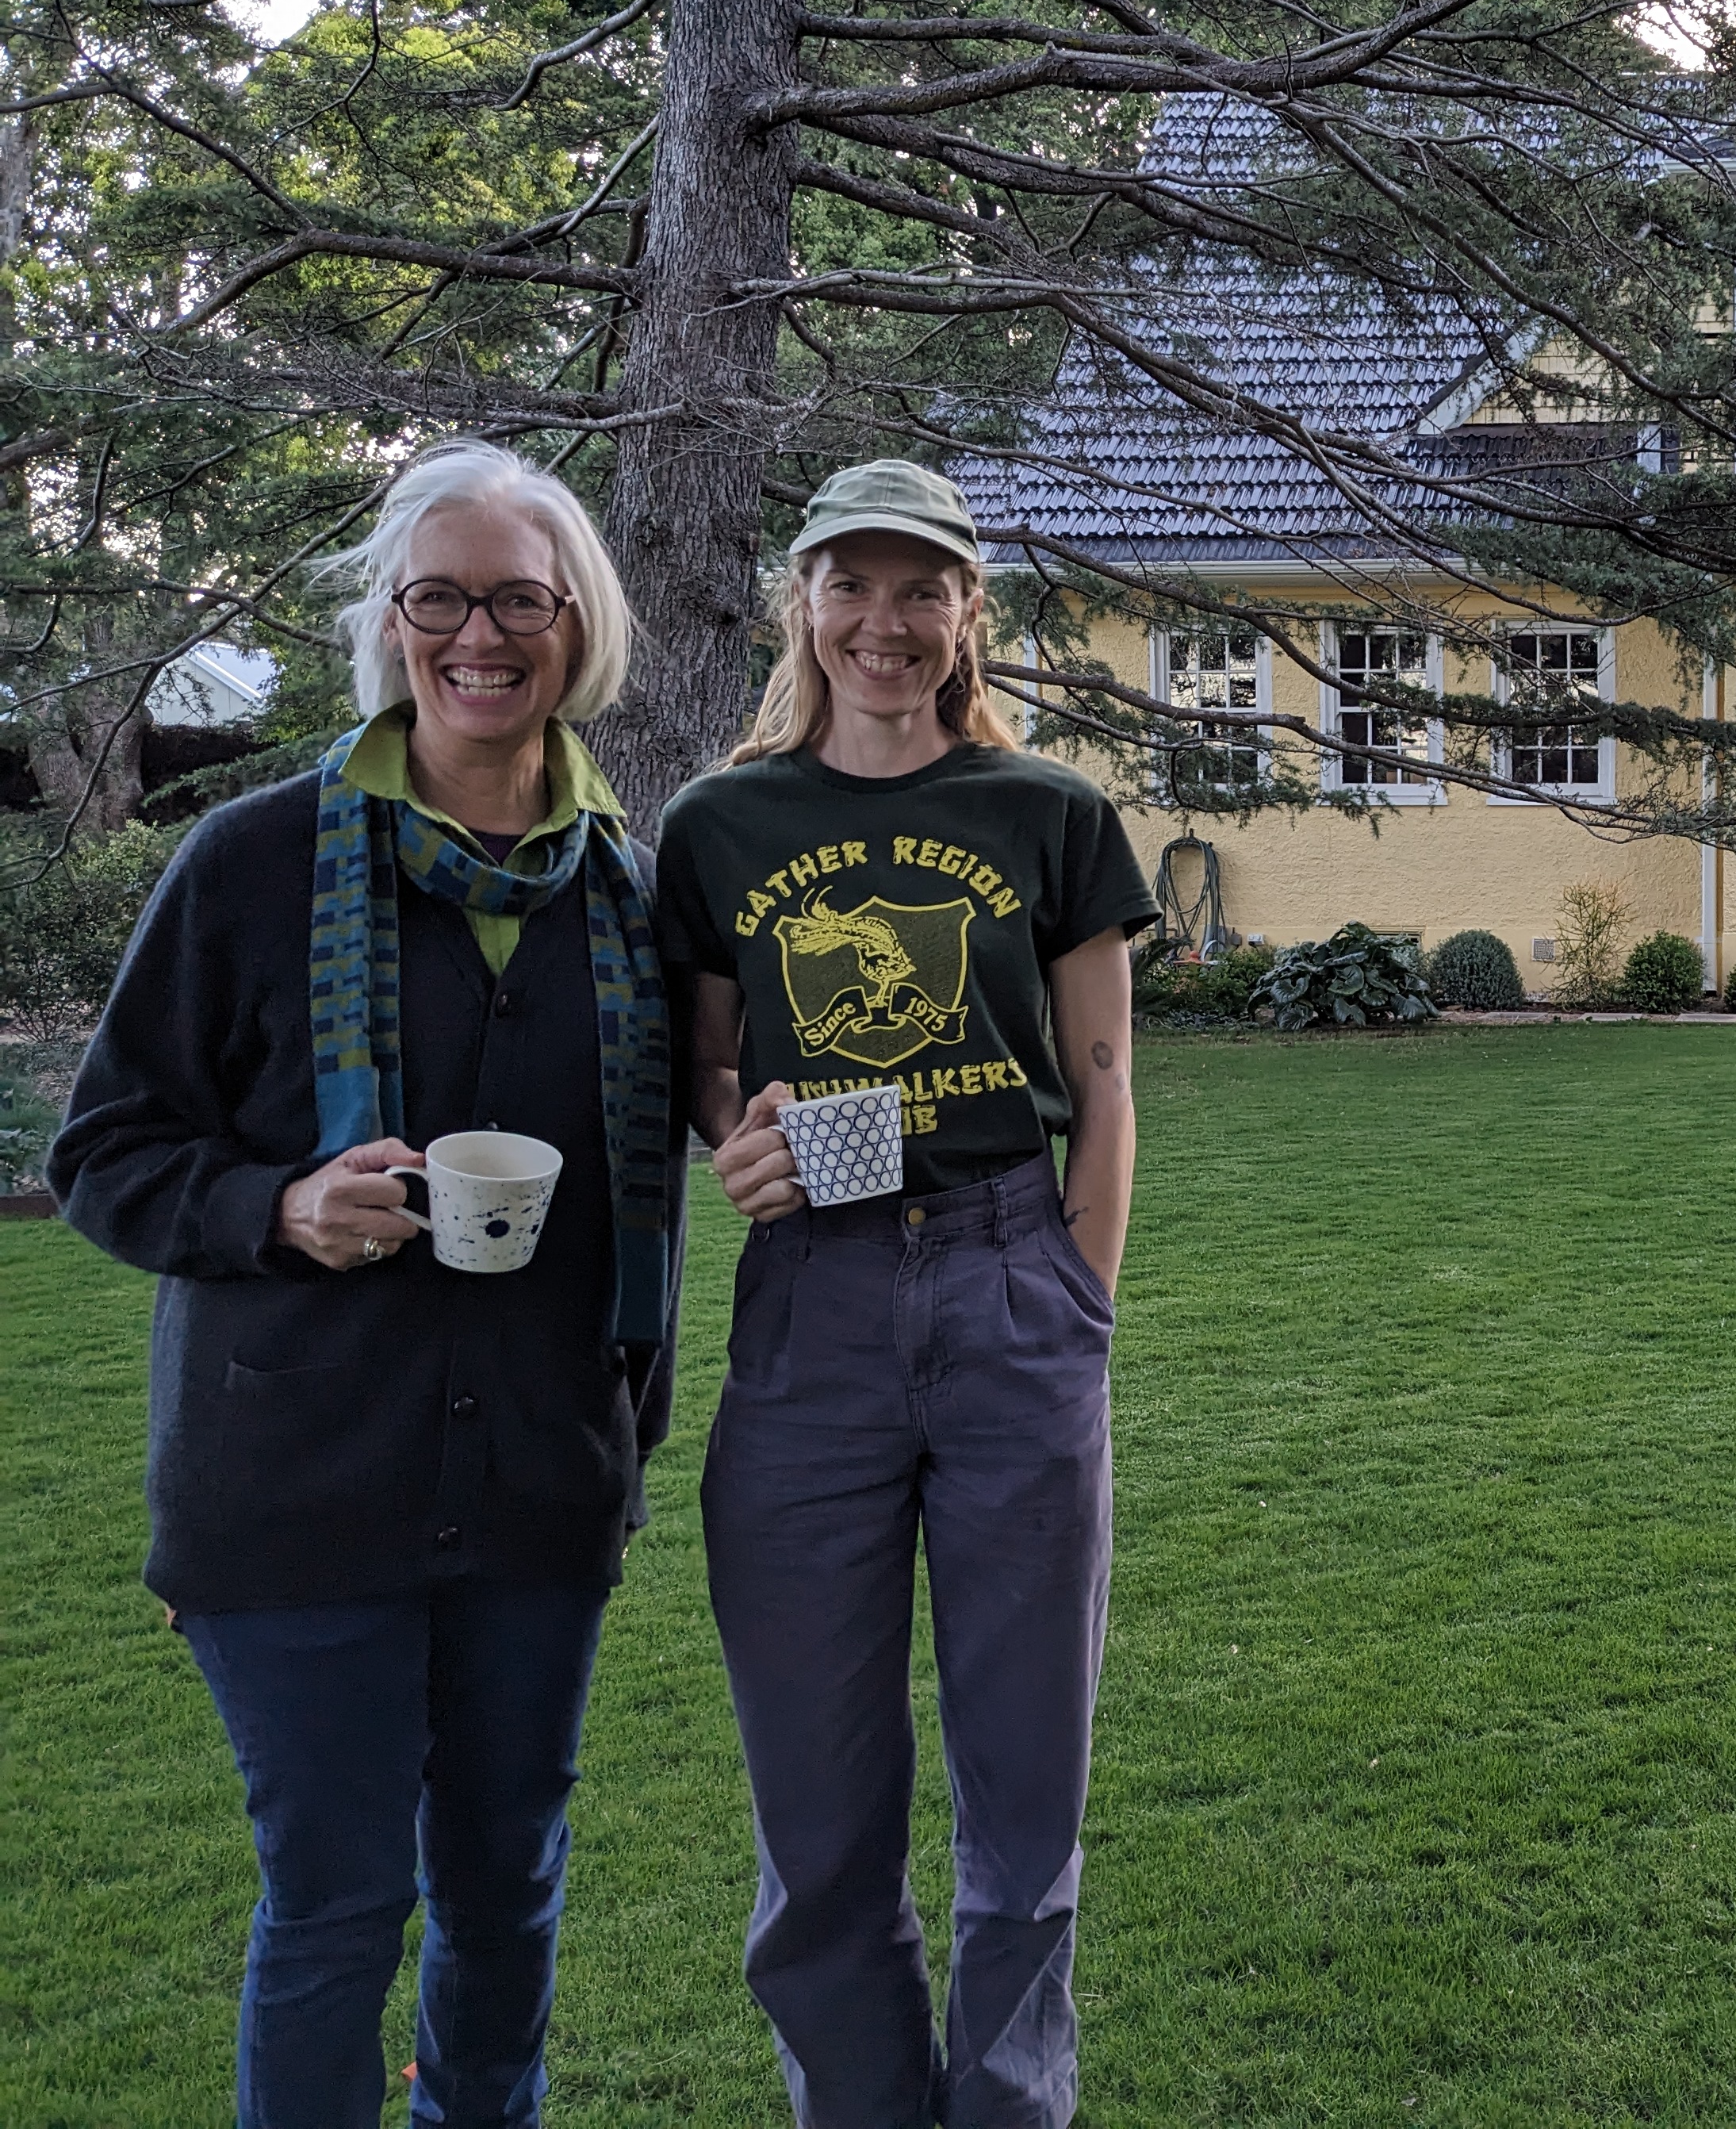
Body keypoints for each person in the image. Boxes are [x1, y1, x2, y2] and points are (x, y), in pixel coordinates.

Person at [50, 442, 680, 2128]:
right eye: (440, 599)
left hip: (539, 1477)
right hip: (295, 1481)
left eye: (522, 600)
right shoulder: (253, 863)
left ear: (579, 624)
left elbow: (671, 1171)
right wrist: (278, 1204)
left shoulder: (631, 892)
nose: (482, 636)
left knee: (505, 1897)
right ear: (392, 625)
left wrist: (624, 1435)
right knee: (335, 1907)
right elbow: (101, 1153)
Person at [654, 459, 1155, 2128]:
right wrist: (740, 1142)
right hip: (818, 1304)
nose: (886, 621)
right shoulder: (720, 825)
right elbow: (710, 1066)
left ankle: (1010, 2107)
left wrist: (1078, 1298)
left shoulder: (1049, 814)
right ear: (801, 604)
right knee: (817, 1809)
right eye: (851, 585)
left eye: (920, 588)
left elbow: (1105, 1084)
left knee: (1027, 1793)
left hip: (1013, 1284)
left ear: (965, 613)